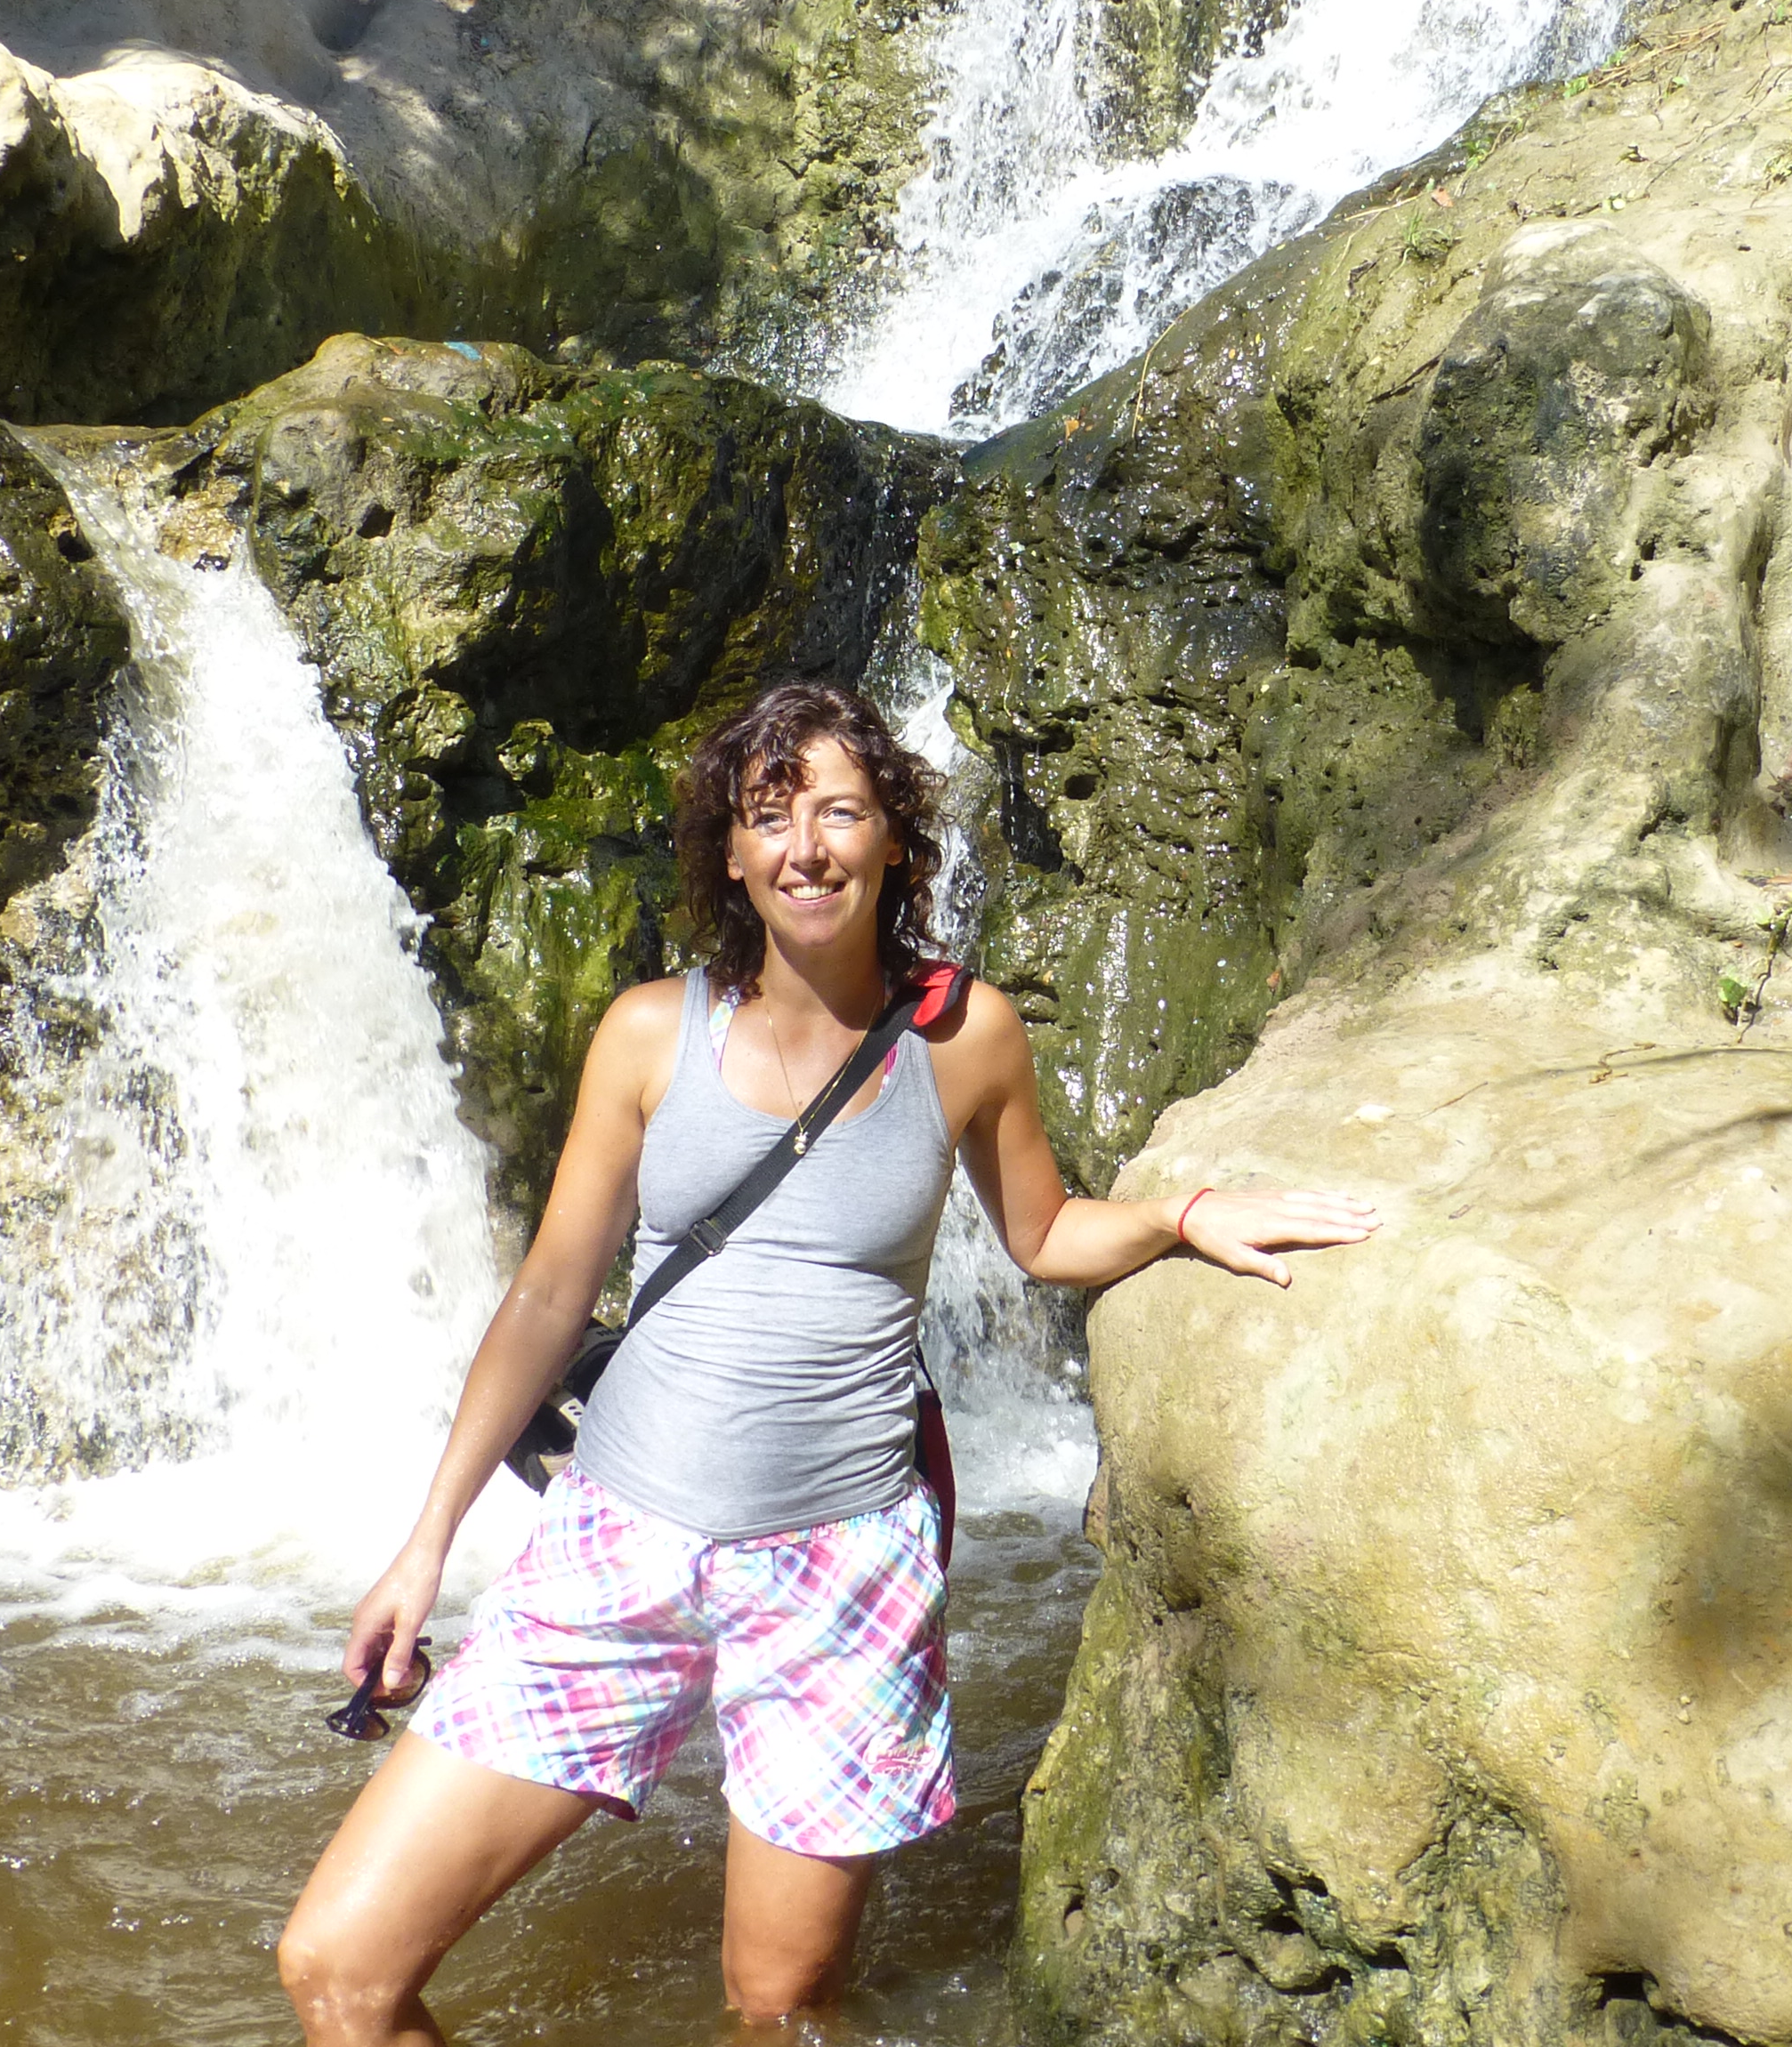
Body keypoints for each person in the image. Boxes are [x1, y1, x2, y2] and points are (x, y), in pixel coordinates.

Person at [279, 679, 1376, 2043]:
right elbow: (552, 1294)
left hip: (840, 1571)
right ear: (730, 854)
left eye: (843, 811)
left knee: (781, 2008)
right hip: (614, 1544)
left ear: (896, 842)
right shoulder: (645, 1034)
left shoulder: (961, 1037)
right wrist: (423, 1546)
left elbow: (1041, 1234)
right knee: (341, 1972)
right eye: (771, 815)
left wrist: (1181, 1215)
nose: (808, 845)